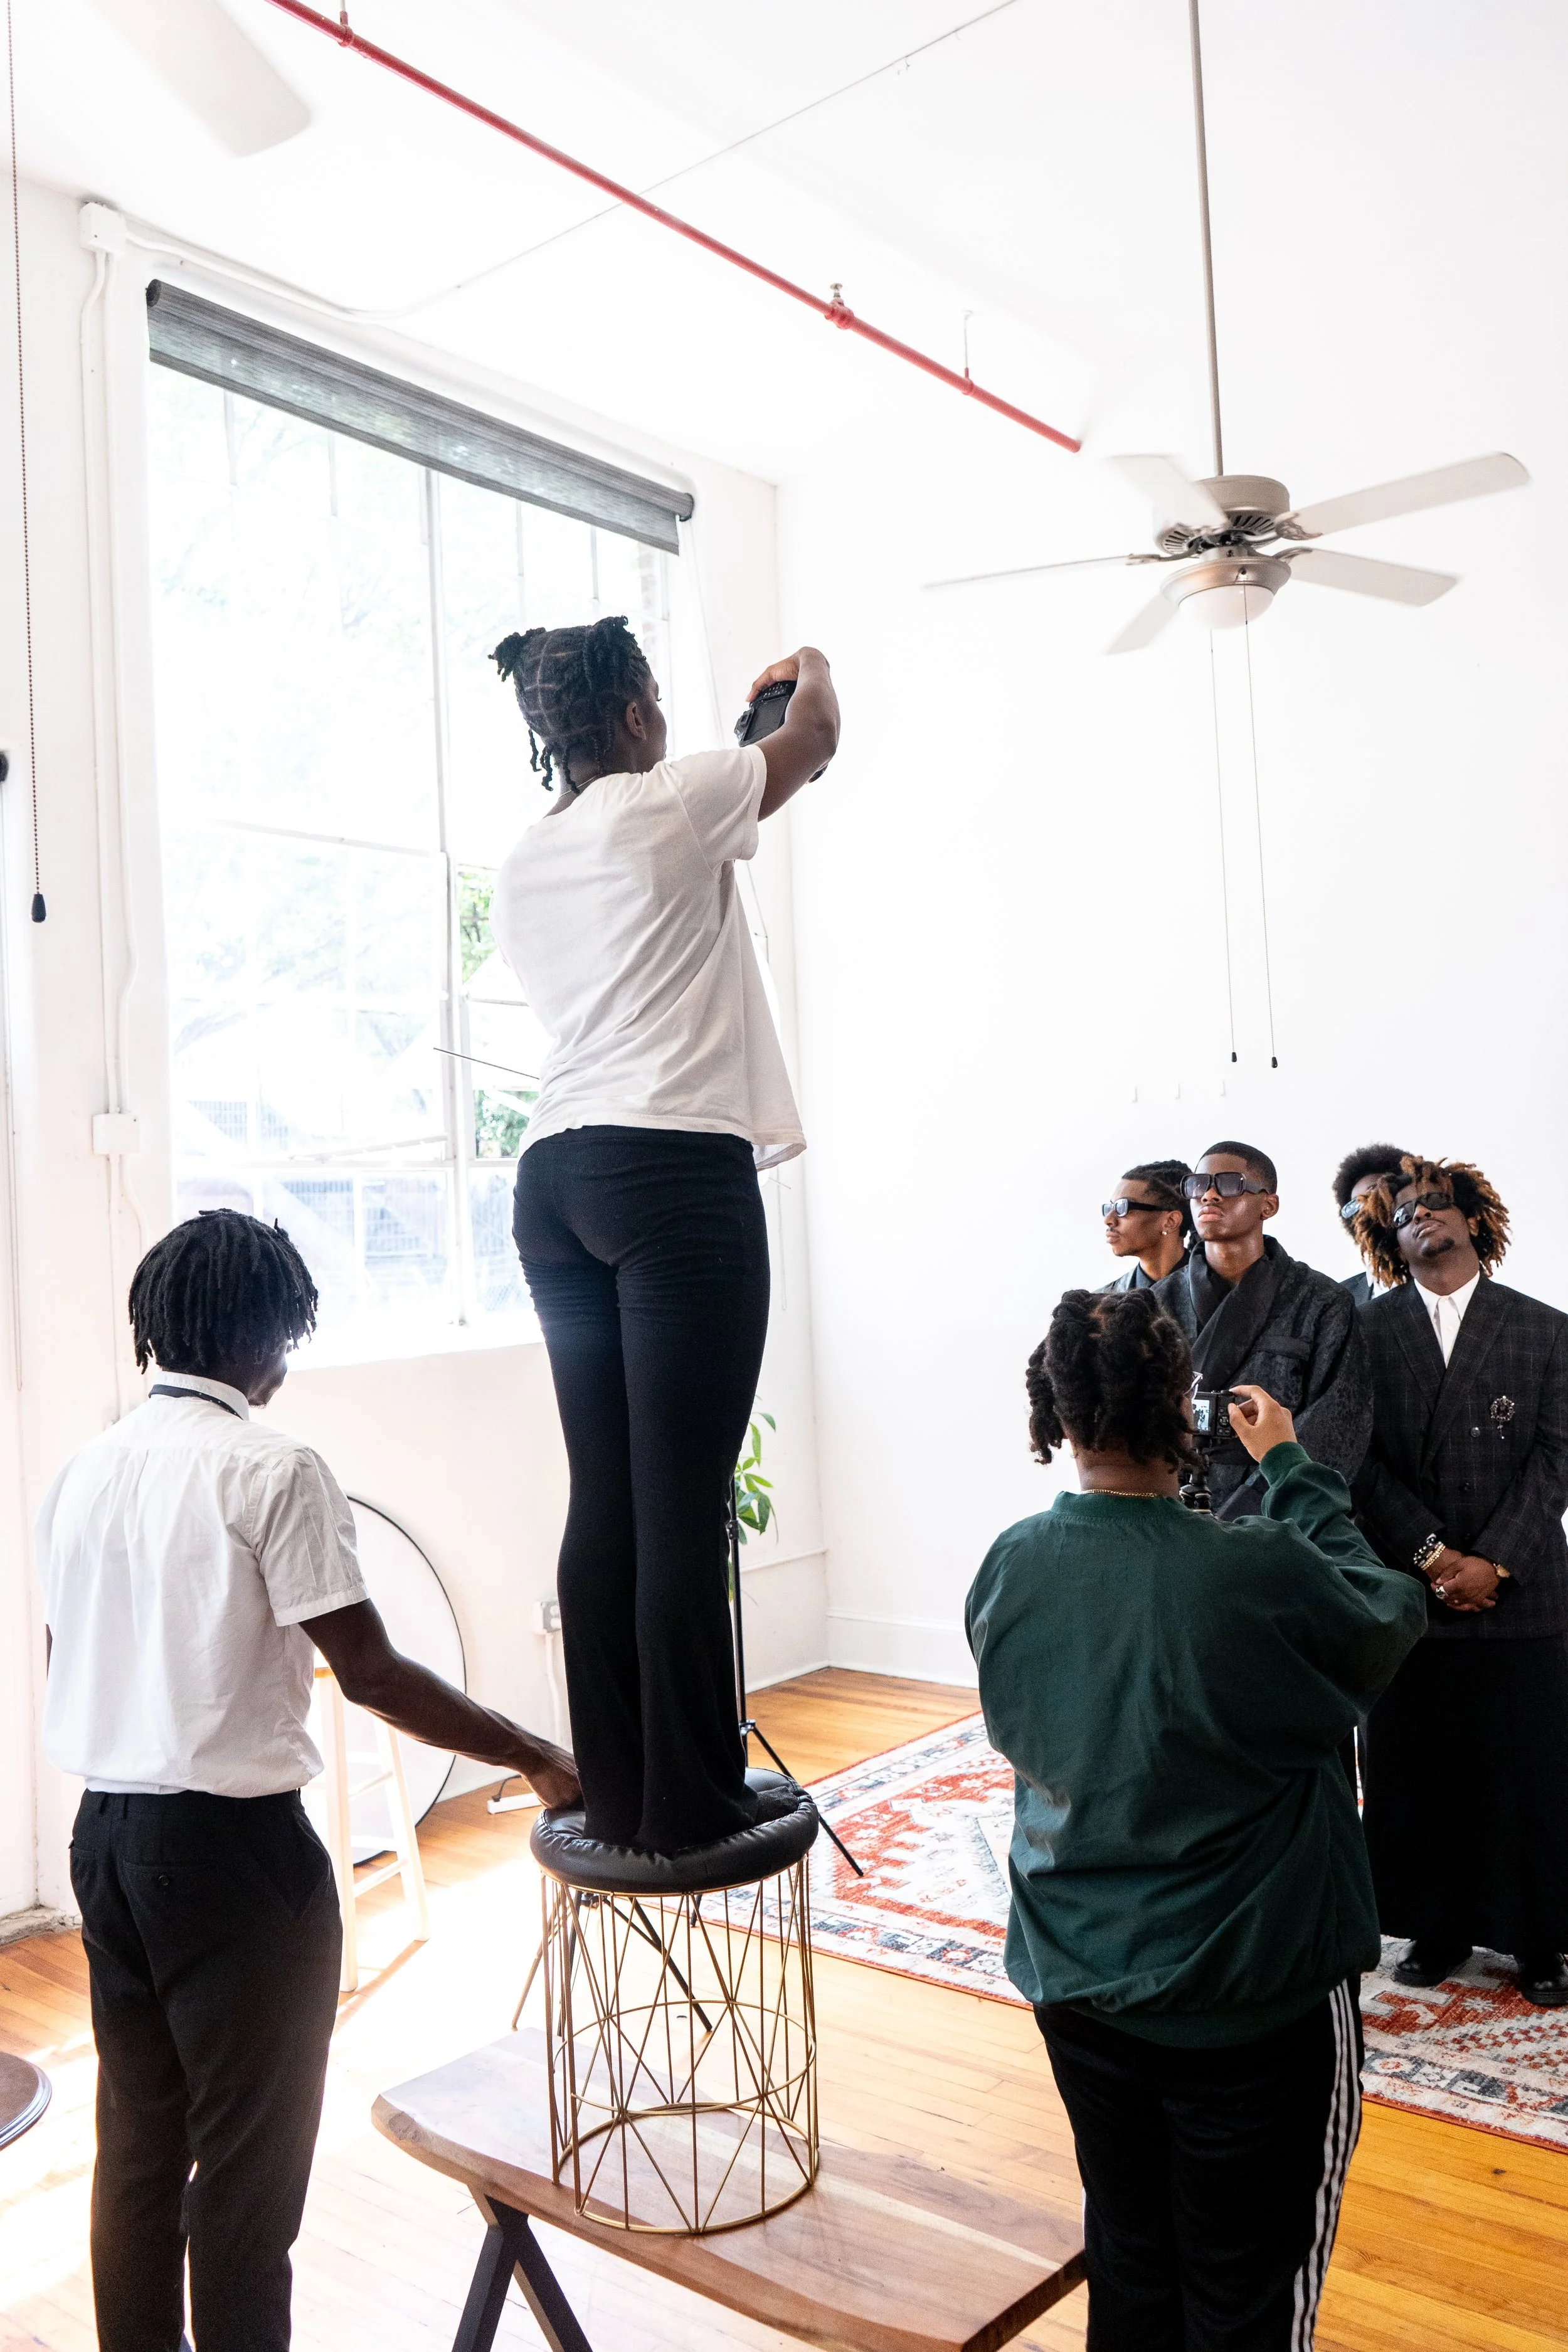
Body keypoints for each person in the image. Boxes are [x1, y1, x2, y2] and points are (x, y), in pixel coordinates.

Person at [35, 1210, 580, 2352]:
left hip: (105, 1842)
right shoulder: (274, 1469)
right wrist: (533, 1755)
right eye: (291, 1331)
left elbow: (72, 1651)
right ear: (268, 1332)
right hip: (235, 1861)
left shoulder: (85, 1470)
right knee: (246, 2172)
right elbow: (372, 1671)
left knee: (137, 2145)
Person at [966, 1289, 1424, 2351]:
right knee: (1247, 2294)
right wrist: (1296, 1472)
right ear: (1188, 1407)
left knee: (1131, 2263)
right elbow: (1388, 1616)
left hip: (1076, 1985)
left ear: (1056, 1412)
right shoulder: (1253, 1567)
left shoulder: (1009, 1563)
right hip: (1250, 2003)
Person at [490, 617, 839, 1853]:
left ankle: (627, 1788)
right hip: (670, 1173)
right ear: (637, 718)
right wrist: (808, 663)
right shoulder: (672, 800)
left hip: (554, 1179)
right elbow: (815, 738)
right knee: (682, 1501)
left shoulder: (529, 857)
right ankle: (693, 1801)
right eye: (656, 703)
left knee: (611, 1496)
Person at [1353, 1157, 1568, 2006]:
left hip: (1524, 1588)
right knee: (1419, 1764)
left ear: (1475, 1219)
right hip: (1412, 1588)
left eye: (1438, 1203)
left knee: (1533, 1766)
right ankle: (1436, 1926)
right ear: (1387, 1238)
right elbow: (1358, 1460)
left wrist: (1494, 1561)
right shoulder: (1365, 1332)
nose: (1423, 1217)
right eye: (1403, 1212)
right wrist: (1436, 1559)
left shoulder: (1545, 1328)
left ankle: (1540, 1937)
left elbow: (1559, 1455)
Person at [1153, 1140, 1371, 1516]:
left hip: (1279, 1513)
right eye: (1198, 1184)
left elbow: (1338, 1426)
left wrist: (1250, 1510)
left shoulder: (1322, 1301)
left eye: (1229, 1183)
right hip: (1172, 1506)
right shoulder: (1156, 1303)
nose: (1209, 1195)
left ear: (1268, 1205)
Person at [1331, 1142, 1410, 1306]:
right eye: (1356, 1205)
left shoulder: (1449, 1270)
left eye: (1377, 1194)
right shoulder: (1339, 1298)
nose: (1368, 1207)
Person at [1099, 1160, 1192, 1290]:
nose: (1108, 1220)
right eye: (1110, 1207)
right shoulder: (1102, 1304)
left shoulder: (1219, 1293)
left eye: (1123, 1207)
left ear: (1171, 1221)